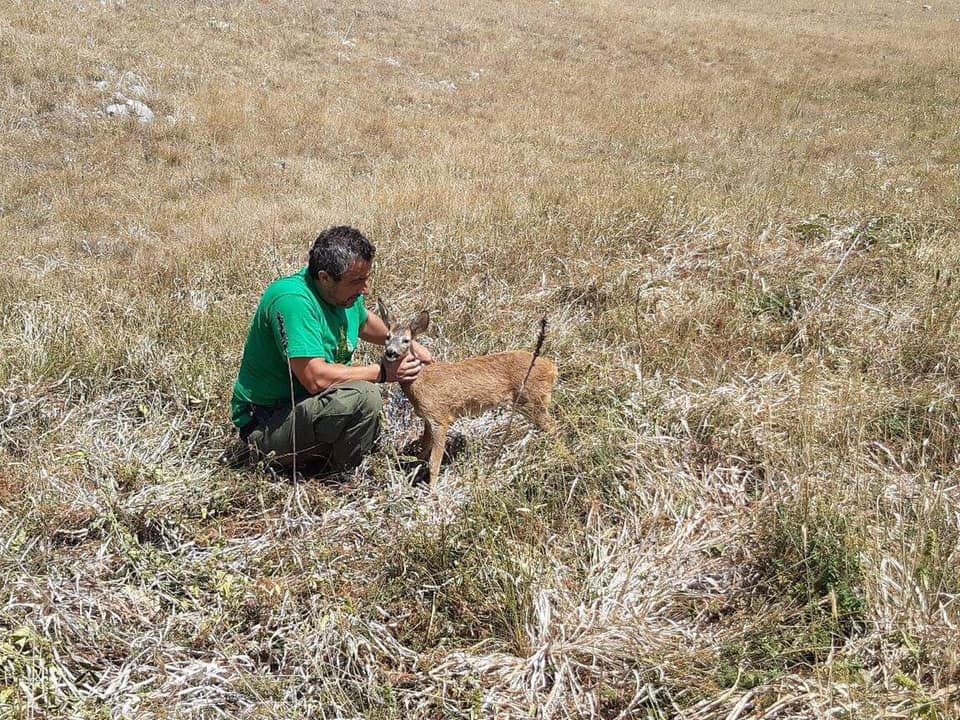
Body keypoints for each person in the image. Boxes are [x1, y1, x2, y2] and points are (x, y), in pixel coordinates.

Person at [230, 225, 433, 472]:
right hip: (267, 424)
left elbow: (365, 321)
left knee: (362, 401)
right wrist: (383, 373)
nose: (365, 289)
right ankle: (336, 475)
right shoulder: (293, 301)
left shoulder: (343, 297)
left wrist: (410, 343)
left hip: (306, 410)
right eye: (357, 281)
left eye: (366, 279)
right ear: (325, 277)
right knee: (364, 398)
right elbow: (315, 378)